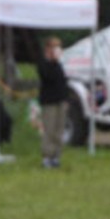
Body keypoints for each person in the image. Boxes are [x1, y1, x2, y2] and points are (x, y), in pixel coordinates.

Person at [36, 36, 70, 169]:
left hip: (60, 100)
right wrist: (52, 61)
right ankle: (47, 156)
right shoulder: (43, 63)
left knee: (59, 130)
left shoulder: (58, 64)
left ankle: (56, 156)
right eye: (54, 47)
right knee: (49, 129)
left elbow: (62, 81)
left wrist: (66, 99)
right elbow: (47, 76)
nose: (56, 50)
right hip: (49, 101)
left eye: (58, 47)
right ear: (48, 48)